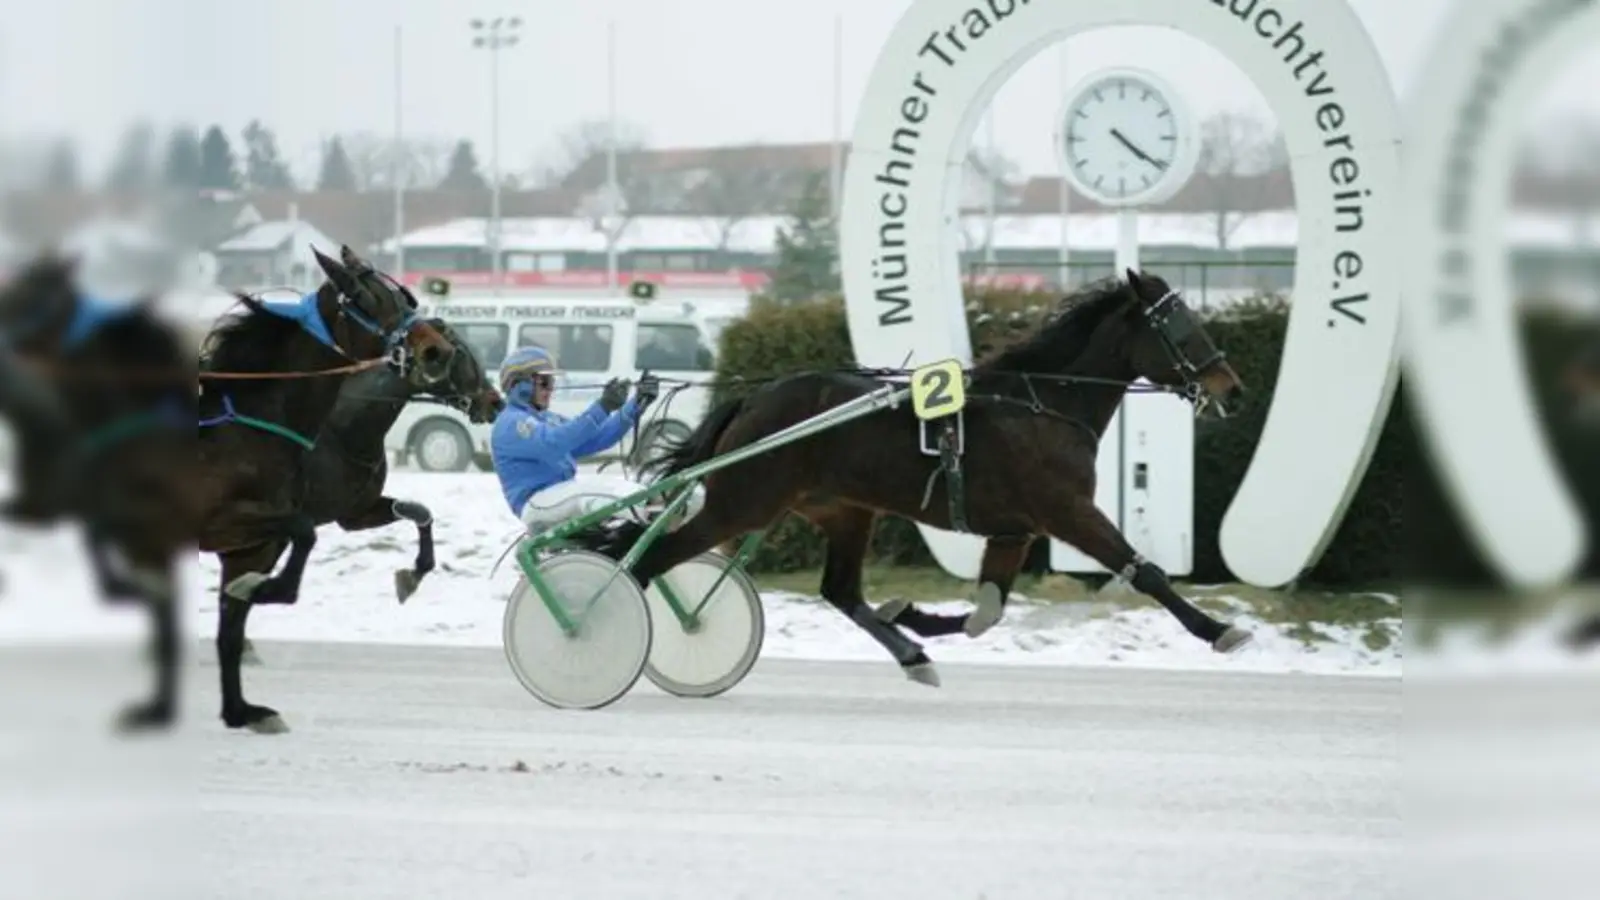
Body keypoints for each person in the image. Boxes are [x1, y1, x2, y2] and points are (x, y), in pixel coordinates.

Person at [489, 345, 701, 555]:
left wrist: (636, 404)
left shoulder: (546, 419)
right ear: (520, 386)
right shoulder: (511, 422)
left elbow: (596, 438)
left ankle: (659, 508)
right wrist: (603, 407)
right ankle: (655, 509)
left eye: (552, 382)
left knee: (596, 488)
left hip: (559, 496)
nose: (551, 389)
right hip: (537, 502)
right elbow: (554, 444)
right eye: (544, 382)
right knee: (593, 488)